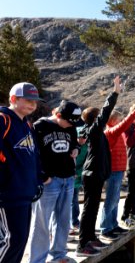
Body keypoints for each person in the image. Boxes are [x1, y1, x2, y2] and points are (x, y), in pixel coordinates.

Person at [28, 100, 81, 263]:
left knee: (63, 220)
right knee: (41, 224)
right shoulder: (40, 126)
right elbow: (32, 153)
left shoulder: (71, 126)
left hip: (68, 178)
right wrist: (42, 176)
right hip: (49, 181)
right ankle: (37, 260)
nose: (70, 126)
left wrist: (76, 149)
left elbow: (75, 143)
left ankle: (58, 254)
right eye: (67, 122)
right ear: (57, 115)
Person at [76, 76, 121, 257]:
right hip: (92, 174)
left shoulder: (96, 132)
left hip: (96, 174)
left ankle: (90, 237)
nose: (106, 119)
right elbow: (105, 112)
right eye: (101, 118)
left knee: (93, 207)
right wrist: (115, 92)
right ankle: (82, 245)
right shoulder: (94, 130)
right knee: (88, 209)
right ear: (95, 119)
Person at [0, 82, 45, 263]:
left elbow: (33, 155)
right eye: (28, 100)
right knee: (13, 240)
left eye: (35, 101)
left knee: (20, 240)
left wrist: (38, 180)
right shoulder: (4, 119)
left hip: (24, 191)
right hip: (8, 192)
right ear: (13, 99)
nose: (33, 104)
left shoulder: (26, 124)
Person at [100, 101, 135, 240]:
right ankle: (106, 228)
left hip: (121, 169)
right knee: (111, 200)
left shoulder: (119, 131)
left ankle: (113, 224)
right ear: (112, 121)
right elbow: (130, 142)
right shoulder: (110, 132)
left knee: (115, 199)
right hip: (115, 169)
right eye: (118, 120)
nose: (121, 122)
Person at [70, 125, 88, 237]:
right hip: (69, 175)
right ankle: (72, 222)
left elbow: (86, 162)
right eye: (80, 137)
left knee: (74, 200)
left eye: (84, 137)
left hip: (78, 176)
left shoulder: (86, 146)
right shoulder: (72, 145)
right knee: (70, 201)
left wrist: (79, 173)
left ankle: (75, 221)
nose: (82, 139)